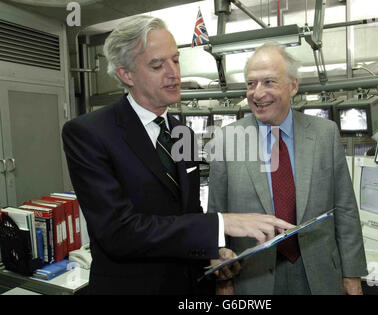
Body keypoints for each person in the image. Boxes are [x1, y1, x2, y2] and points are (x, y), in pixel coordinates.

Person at [61, 17, 294, 295]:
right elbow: (118, 232)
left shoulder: (181, 131)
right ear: (126, 75)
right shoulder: (89, 133)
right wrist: (222, 223)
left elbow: (188, 212)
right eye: (158, 65)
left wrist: (212, 251)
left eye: (175, 60)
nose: (174, 73)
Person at [208, 44, 368, 295]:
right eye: (251, 84)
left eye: (269, 82)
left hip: (318, 274)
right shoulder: (226, 141)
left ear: (293, 86)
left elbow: (345, 209)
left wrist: (352, 273)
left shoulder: (325, 134)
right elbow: (216, 217)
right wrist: (223, 280)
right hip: (252, 278)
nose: (257, 93)